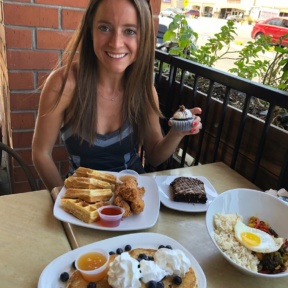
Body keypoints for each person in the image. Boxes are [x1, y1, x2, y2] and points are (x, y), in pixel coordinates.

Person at [32, 0, 202, 191]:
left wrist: (177, 133)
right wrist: (64, 202)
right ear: (90, 30)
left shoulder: (143, 89)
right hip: (81, 193)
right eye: (104, 27)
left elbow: (154, 155)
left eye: (130, 31)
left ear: (143, 37)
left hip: (133, 194)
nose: (116, 43)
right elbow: (41, 153)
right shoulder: (63, 84)